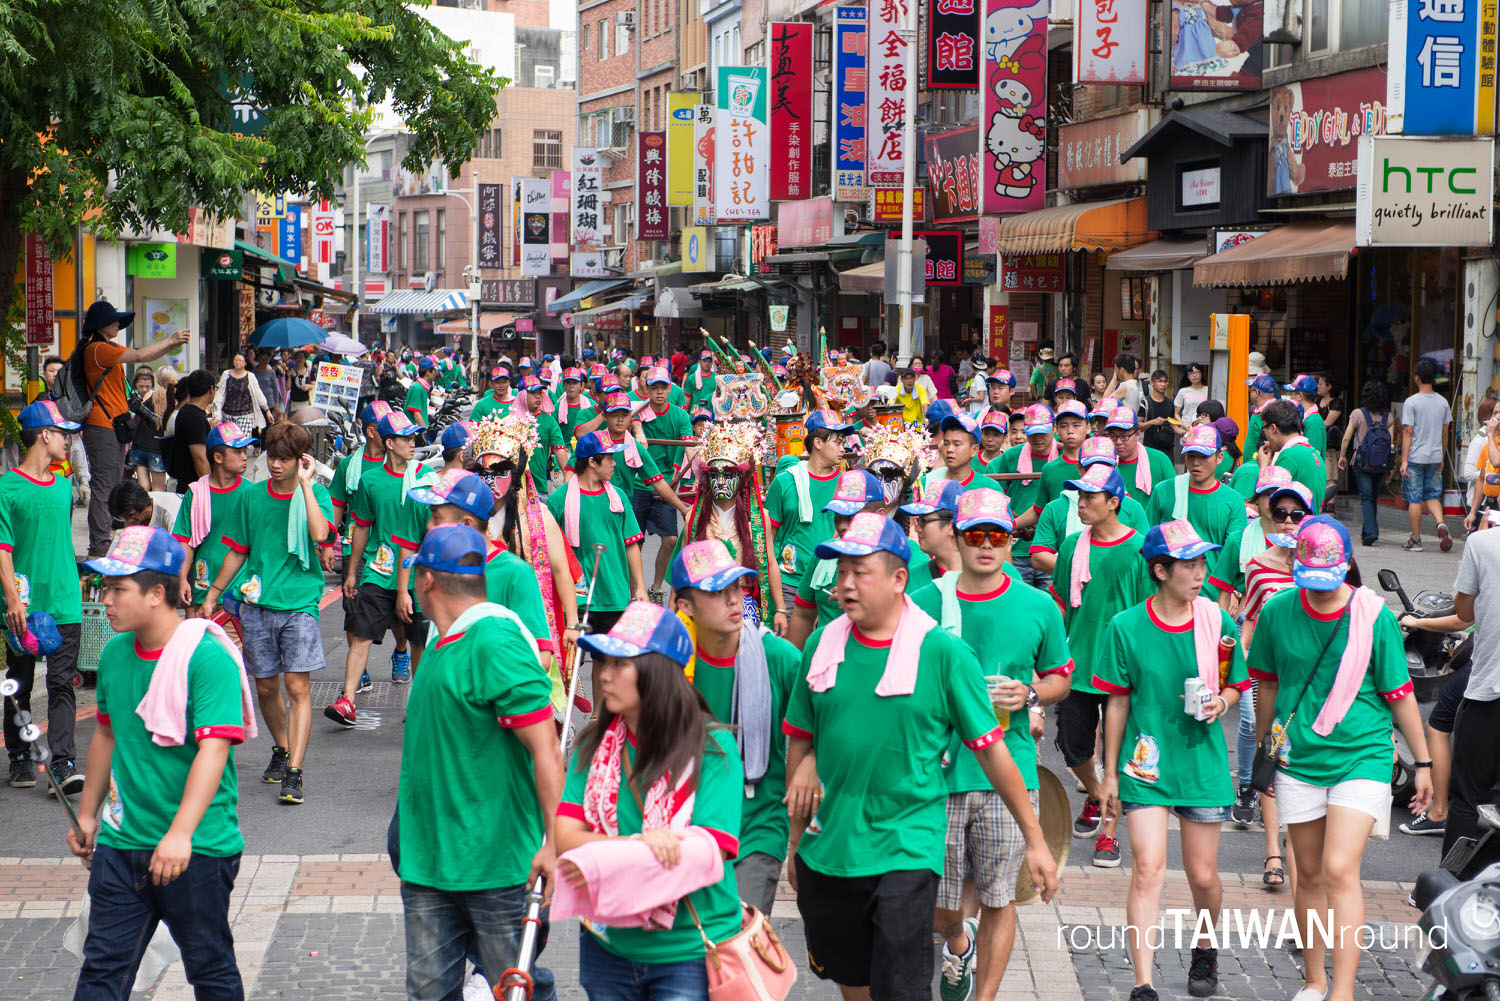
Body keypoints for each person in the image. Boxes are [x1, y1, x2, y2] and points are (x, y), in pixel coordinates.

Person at [1250, 515, 1431, 1001]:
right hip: (1297, 756)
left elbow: (1400, 693)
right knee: (1305, 874)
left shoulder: (1374, 616)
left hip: (1362, 754)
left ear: (1347, 566)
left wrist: (1425, 763)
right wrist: (1265, 745)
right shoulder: (1277, 611)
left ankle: (1343, 991)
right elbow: (1265, 682)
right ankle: (1314, 980)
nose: (1318, 591)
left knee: (1337, 869)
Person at [70, 525, 254, 1001]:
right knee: (102, 973)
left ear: (157, 593)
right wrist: (88, 814)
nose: (104, 599)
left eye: (116, 589)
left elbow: (214, 750)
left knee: (210, 971)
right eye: (104, 588)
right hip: (122, 841)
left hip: (198, 849)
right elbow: (106, 735)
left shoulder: (206, 657)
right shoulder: (112, 652)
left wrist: (180, 834)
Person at [910, 489, 1073, 1001]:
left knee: (1001, 898)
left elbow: (1060, 677)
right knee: (936, 903)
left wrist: (1031, 693)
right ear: (957, 539)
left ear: (1010, 542)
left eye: (996, 536)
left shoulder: (1038, 605)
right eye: (974, 535)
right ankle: (959, 942)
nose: (986, 545)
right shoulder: (924, 602)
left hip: (1012, 768)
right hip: (939, 771)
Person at [393, 523, 564, 1001]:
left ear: (426, 580)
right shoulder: (443, 642)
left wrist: (553, 843)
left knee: (518, 990)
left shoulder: (495, 643)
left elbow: (547, 750)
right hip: (430, 869)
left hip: (496, 871)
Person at [555, 601, 744, 1001]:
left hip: (688, 950)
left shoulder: (712, 749)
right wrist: (639, 845)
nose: (604, 676)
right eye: (604, 662)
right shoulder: (594, 746)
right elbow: (565, 836)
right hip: (607, 946)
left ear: (657, 672)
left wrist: (597, 858)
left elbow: (707, 853)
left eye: (619, 664)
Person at [1096, 520, 1249, 1001]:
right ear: (1160, 570)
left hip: (1201, 762)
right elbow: (1116, 702)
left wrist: (1220, 704)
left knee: (1203, 875)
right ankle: (1142, 982)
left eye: (1203, 562)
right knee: (1147, 869)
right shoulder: (1125, 627)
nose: (1200, 572)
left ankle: (1205, 947)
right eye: (1189, 564)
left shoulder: (1218, 622)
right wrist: (1108, 773)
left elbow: (1232, 683)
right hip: (1145, 764)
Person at [202, 422, 331, 806]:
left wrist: (306, 485)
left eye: (284, 459)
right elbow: (238, 550)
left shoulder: (316, 494)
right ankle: (282, 748)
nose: (274, 465)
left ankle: (295, 771)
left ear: (301, 461)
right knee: (265, 686)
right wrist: (213, 594)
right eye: (271, 457)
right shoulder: (252, 497)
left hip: (300, 604)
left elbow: (320, 534)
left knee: (297, 687)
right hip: (256, 603)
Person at [669, 540, 800, 917]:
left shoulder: (779, 658)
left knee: (737, 942)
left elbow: (820, 727)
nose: (732, 600)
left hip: (757, 829)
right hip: (686, 830)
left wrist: (806, 768)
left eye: (736, 587)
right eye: (716, 591)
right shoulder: (670, 667)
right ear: (685, 605)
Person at [1050, 464, 1154, 869]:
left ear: (1114, 503)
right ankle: (1095, 794)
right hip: (1078, 666)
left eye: (1091, 497)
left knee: (1116, 757)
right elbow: (1060, 603)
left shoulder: (1140, 549)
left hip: (1122, 672)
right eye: (1080, 496)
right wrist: (1049, 660)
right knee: (1073, 747)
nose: (1081, 503)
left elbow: (1149, 612)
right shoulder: (1071, 545)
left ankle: (1109, 833)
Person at [2, 400, 86, 791]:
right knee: (19, 680)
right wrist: (13, 601)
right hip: (24, 604)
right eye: (63, 432)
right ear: (45, 435)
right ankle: (19, 756)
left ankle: (63, 766)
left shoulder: (65, 486)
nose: (68, 440)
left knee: (61, 683)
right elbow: (3, 548)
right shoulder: (6, 487)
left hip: (65, 600)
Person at [327, 412, 429, 727]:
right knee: (361, 633)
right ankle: (347, 700)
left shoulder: (425, 477)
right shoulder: (369, 481)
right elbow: (360, 527)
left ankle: (420, 703)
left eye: (414, 437)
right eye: (406, 438)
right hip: (378, 570)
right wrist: (353, 572)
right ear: (388, 443)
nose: (413, 443)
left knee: (419, 640)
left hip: (417, 574)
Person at [76, 300, 191, 556]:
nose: (118, 323)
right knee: (105, 486)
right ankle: (99, 543)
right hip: (101, 426)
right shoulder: (96, 349)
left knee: (114, 483)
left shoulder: (107, 347)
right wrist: (171, 340)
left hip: (112, 427)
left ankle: (106, 535)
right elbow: (140, 356)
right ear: (102, 324)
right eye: (115, 320)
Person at [669, 423, 786, 631]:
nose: (721, 482)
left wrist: (780, 610)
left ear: (741, 478)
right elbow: (684, 569)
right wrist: (673, 614)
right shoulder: (694, 521)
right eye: (715, 475)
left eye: (729, 475)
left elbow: (770, 563)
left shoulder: (759, 520)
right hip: (706, 605)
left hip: (745, 607)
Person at [1440, 520, 1500, 876]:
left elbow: (1463, 613)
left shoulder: (1483, 543)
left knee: (1466, 798)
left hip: (1489, 693)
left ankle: (1447, 887)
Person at [548, 430, 646, 637]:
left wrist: (640, 588)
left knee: (608, 664)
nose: (614, 464)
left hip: (614, 596)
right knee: (572, 663)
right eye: (609, 459)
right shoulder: (559, 499)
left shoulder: (618, 497)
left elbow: (631, 543)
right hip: (577, 598)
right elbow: (549, 551)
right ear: (592, 462)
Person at [765, 410, 854, 611]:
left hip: (830, 583)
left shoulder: (846, 484)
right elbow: (768, 541)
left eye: (843, 442)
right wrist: (777, 602)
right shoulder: (784, 482)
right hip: (790, 583)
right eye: (838, 442)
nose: (843, 448)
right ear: (818, 443)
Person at [1029, 437, 1151, 578]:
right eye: (1092, 467)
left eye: (1105, 466)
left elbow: (1145, 557)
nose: (1097, 472)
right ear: (1080, 468)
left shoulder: (1133, 508)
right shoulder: (1056, 509)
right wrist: (1081, 572)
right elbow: (1039, 557)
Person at [170, 423, 253, 615]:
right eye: (238, 451)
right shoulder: (196, 493)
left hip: (241, 594)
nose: (244, 457)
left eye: (245, 451)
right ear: (218, 457)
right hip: (202, 589)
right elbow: (185, 541)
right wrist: (182, 579)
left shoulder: (251, 492)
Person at [633, 367, 694, 599]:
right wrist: (638, 431)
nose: (659, 392)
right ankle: (635, 590)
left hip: (666, 486)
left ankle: (656, 587)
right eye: (654, 387)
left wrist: (698, 474)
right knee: (634, 543)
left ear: (670, 388)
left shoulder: (679, 415)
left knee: (670, 539)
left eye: (663, 387)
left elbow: (689, 445)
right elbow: (635, 424)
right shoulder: (637, 409)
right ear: (646, 389)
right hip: (638, 485)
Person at [1145, 426, 1247, 553]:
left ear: (1219, 457)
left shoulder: (1233, 501)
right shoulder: (1163, 491)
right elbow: (1148, 540)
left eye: (1204, 456)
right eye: (1191, 456)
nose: (1196, 462)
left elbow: (1233, 552)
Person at [993, 403, 1058, 588]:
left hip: (1052, 548)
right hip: (1018, 547)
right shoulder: (1010, 456)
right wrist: (1010, 526)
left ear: (1054, 428)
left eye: (1043, 432)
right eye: (1032, 432)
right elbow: (1000, 498)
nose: (1037, 438)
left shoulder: (1064, 458)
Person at [1400, 358, 1453, 551]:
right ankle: (1440, 523)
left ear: (1416, 378)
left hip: (1415, 456)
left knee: (1414, 498)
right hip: (1434, 456)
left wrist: (1404, 460)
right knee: (1432, 495)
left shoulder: (1411, 402)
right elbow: (1445, 432)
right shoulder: (1443, 402)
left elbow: (1408, 432)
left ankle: (1415, 540)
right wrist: (1441, 457)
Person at [1337, 379, 1396, 546]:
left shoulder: (1358, 414)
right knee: (1372, 498)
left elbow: (1347, 437)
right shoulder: (1388, 417)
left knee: (1366, 498)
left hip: (1362, 462)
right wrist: (1390, 466)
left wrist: (1343, 456)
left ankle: (1371, 532)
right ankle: (1367, 533)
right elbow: (1391, 444)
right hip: (1381, 464)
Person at [1102, 406, 1174, 507]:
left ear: (1138, 434)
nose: (1118, 442)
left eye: (1124, 436)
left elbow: (1173, 497)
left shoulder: (1159, 459)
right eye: (1113, 436)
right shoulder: (1102, 464)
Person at [1258, 399, 1325, 504]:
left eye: (1264, 428)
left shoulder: (1289, 455)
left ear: (1273, 428)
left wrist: (1263, 468)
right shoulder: (1312, 453)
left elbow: (1268, 504)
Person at [166, 370, 216, 494]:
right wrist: (211, 489)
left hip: (186, 485)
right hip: (193, 489)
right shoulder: (195, 418)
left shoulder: (187, 412)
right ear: (211, 389)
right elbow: (199, 459)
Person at [214, 353, 273, 438]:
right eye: (236, 360)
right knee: (229, 441)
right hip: (228, 414)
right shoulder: (226, 374)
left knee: (243, 440)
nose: (238, 362)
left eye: (240, 360)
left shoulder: (250, 376)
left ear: (245, 363)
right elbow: (219, 394)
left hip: (245, 414)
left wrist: (267, 411)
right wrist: (216, 412)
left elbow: (258, 394)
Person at [126, 368, 166, 491]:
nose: (144, 389)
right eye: (141, 386)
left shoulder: (132, 399)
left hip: (139, 448)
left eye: (147, 386)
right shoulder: (159, 397)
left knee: (144, 488)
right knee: (158, 490)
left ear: (152, 385)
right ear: (135, 385)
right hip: (154, 448)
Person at [1463, 406, 1500, 533]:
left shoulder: (1491, 442)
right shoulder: (1489, 445)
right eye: (1495, 413)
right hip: (1490, 505)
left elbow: (1496, 461)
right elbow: (1480, 480)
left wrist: (1489, 435)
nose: (1497, 417)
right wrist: (1472, 512)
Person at [1140, 370, 1178, 457]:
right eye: (1160, 381)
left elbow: (1172, 423)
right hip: (1150, 446)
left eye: (1165, 381)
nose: (1163, 384)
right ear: (1152, 383)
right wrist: (1152, 422)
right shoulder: (1145, 403)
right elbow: (1138, 425)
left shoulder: (1170, 403)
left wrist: (1183, 433)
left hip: (1167, 445)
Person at [405, 356, 437, 426]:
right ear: (428, 372)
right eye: (434, 371)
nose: (435, 373)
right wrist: (424, 431)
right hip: (415, 430)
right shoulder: (418, 388)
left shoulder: (422, 387)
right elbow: (416, 414)